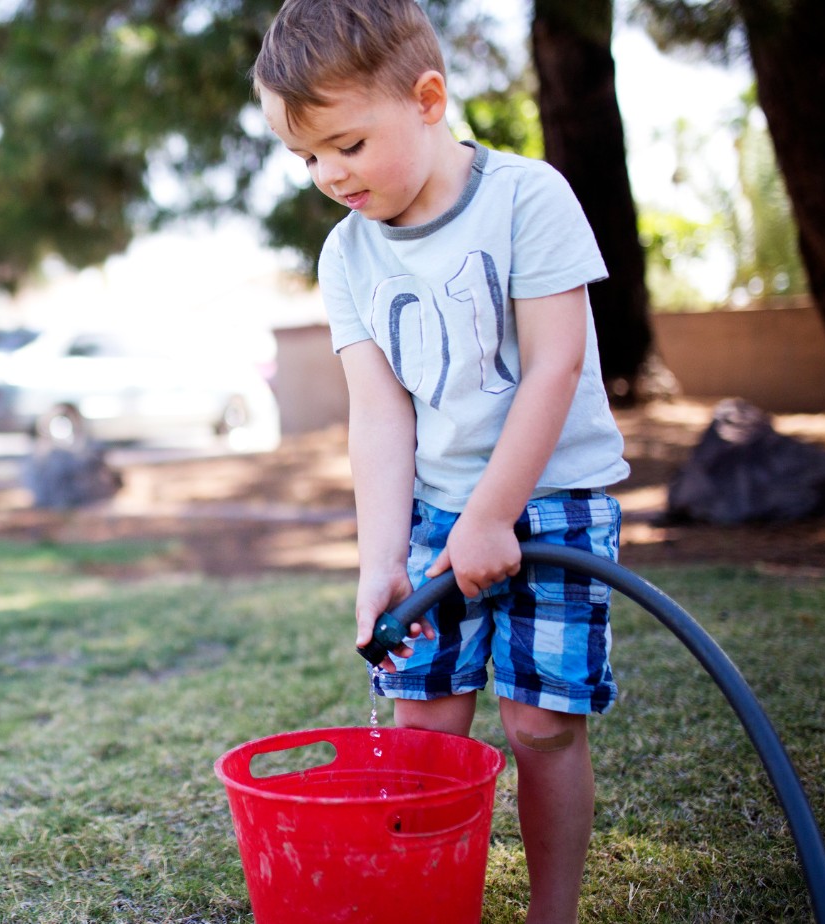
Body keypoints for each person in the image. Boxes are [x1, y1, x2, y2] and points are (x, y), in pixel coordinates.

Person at [251, 2, 630, 922]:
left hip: (553, 503)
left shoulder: (525, 198)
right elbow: (379, 414)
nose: (327, 175)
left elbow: (556, 365)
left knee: (540, 726)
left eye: (345, 144)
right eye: (306, 158)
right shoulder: (347, 254)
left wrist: (495, 513)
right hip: (430, 515)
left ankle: (554, 914)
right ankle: (425, 906)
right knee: (423, 734)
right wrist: (380, 559)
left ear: (428, 99)